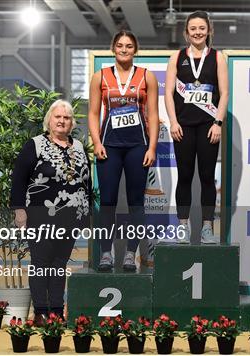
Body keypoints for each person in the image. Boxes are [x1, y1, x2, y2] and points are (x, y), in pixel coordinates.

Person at [10, 99, 90, 322]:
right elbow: (19, 179)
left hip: (71, 218)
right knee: (40, 263)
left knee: (59, 264)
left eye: (66, 118)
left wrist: (86, 215)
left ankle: (56, 309)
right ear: (49, 121)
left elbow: (86, 182)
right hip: (39, 216)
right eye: (58, 117)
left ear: (72, 123)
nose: (62, 121)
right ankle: (41, 312)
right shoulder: (34, 145)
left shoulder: (79, 147)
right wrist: (19, 209)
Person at [88, 30, 159, 272]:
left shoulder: (147, 77)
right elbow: (93, 113)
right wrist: (97, 143)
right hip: (109, 146)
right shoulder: (100, 77)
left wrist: (152, 147)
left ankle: (131, 253)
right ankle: (105, 252)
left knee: (136, 203)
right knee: (107, 202)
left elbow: (153, 114)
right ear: (113, 48)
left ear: (135, 49)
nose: (124, 49)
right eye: (120, 45)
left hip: (138, 146)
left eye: (129, 45)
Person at [164, 10, 228, 243]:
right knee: (185, 176)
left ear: (208, 30)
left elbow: (225, 93)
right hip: (183, 126)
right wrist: (173, 121)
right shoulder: (176, 57)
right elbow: (168, 93)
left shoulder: (218, 57)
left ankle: (207, 227)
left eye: (202, 28)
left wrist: (218, 122)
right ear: (186, 32)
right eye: (193, 29)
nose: (198, 32)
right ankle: (183, 226)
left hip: (208, 126)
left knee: (207, 177)